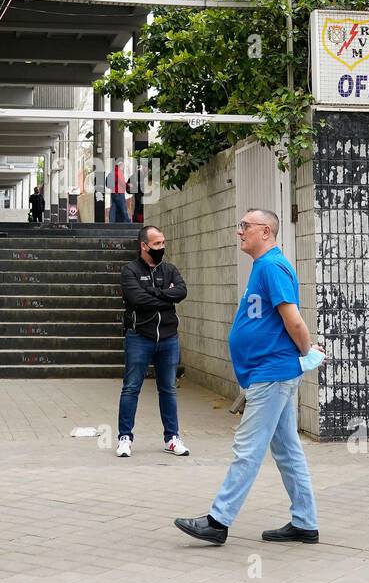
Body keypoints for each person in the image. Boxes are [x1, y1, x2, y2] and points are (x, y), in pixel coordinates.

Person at [174, 208, 321, 545]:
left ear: (266, 231)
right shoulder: (263, 266)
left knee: (247, 447)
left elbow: (293, 320)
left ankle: (218, 521)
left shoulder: (272, 266)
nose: (240, 231)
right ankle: (305, 522)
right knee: (287, 450)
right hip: (268, 372)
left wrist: (306, 351)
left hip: (273, 373)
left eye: (246, 226)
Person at [117, 225, 189, 457]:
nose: (162, 247)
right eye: (157, 244)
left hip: (169, 337)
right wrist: (164, 296)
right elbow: (137, 299)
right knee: (131, 388)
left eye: (163, 243)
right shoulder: (130, 271)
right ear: (144, 246)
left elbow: (181, 292)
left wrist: (154, 294)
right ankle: (125, 438)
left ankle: (172, 438)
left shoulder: (170, 269)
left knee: (168, 389)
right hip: (140, 336)